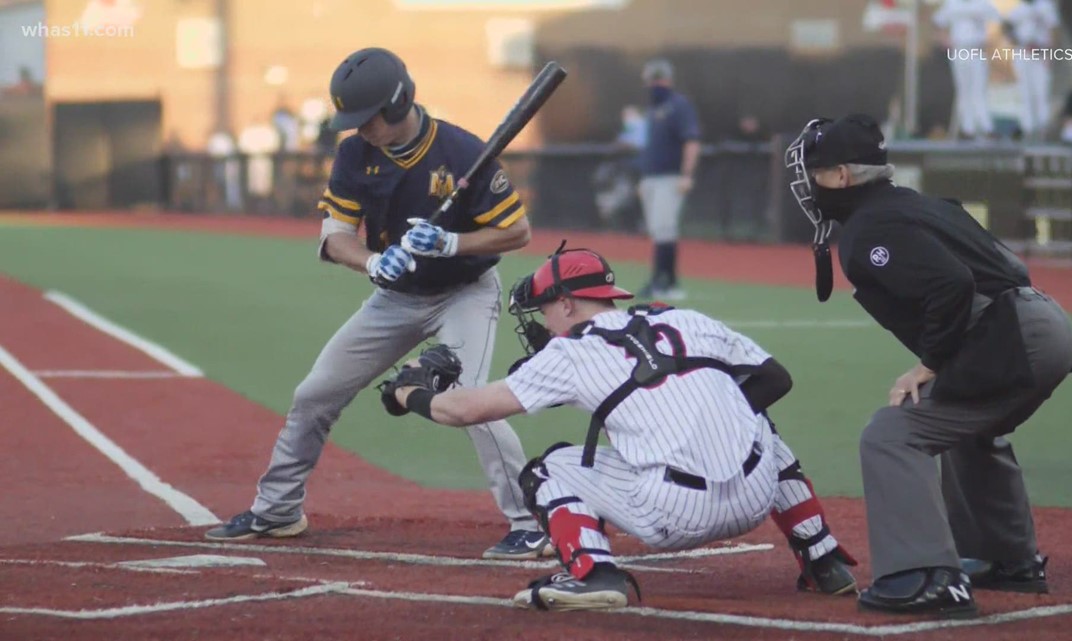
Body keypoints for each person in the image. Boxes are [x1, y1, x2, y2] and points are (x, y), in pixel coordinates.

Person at [206, 47, 554, 561]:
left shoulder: (462, 152)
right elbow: (333, 237)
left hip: (465, 293)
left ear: (397, 105)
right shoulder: (353, 154)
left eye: (365, 119)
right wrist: (371, 262)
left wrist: (452, 244)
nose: (359, 129)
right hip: (396, 297)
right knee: (314, 393)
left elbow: (517, 231)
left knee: (470, 399)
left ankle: (531, 523)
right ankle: (278, 509)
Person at [378, 245, 859, 611]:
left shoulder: (570, 353)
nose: (542, 322)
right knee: (755, 421)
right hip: (756, 494)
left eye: (545, 309)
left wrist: (409, 394)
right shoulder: (685, 318)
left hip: (675, 514)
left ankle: (593, 575)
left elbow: (466, 411)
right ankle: (823, 558)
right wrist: (709, 417)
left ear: (567, 304)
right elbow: (776, 378)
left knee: (550, 469)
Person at [785, 114, 1072, 618]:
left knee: (893, 433)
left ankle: (926, 575)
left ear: (840, 177)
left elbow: (952, 284)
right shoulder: (915, 205)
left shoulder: (867, 230)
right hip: (1038, 320)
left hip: (1016, 334)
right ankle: (1008, 559)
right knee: (965, 424)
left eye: (815, 173)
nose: (808, 185)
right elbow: (999, 266)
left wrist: (930, 363)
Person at [637, 59, 701, 300]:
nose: (654, 85)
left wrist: (686, 175)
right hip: (652, 177)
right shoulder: (653, 109)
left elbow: (691, 141)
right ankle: (668, 280)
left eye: (657, 79)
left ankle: (661, 280)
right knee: (658, 230)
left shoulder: (678, 106)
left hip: (670, 177)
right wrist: (643, 179)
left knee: (665, 228)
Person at [934, 0, 1000, 140]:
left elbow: (997, 21)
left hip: (976, 49)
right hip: (960, 49)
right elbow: (938, 21)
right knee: (963, 90)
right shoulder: (952, 4)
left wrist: (990, 41)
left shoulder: (981, 4)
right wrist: (945, 40)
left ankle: (986, 126)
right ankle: (967, 128)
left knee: (979, 89)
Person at [1003, 0, 1059, 141]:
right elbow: (1006, 26)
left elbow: (1054, 30)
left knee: (1041, 92)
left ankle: (1043, 129)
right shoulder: (1019, 8)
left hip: (1040, 53)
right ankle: (1028, 129)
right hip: (1023, 52)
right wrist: (1018, 41)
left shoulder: (1045, 6)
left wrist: (1050, 53)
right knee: (1025, 92)